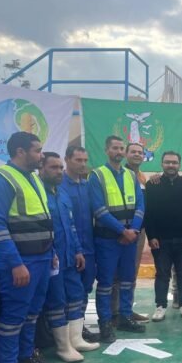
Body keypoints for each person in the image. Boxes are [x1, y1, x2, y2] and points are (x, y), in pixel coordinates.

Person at [0, 132, 59, 363]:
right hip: (21, 262)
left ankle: (26, 358)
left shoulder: (33, 179)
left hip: (42, 258)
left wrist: (52, 251)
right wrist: (15, 263)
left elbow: (43, 219)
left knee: (32, 313)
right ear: (20, 151)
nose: (41, 155)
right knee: (13, 318)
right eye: (37, 150)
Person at [39, 152, 99, 362]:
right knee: (57, 300)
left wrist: (78, 251)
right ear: (41, 168)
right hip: (53, 258)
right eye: (53, 167)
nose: (58, 171)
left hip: (70, 255)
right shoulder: (40, 194)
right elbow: (42, 228)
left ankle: (76, 339)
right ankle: (63, 347)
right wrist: (50, 252)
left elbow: (71, 226)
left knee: (76, 295)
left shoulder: (61, 194)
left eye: (59, 167)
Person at [89, 135, 146, 342]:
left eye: (121, 148)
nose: (119, 152)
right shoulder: (97, 175)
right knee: (106, 283)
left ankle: (125, 317)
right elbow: (98, 209)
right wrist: (122, 231)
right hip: (107, 240)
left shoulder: (131, 175)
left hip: (130, 239)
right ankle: (105, 323)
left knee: (127, 280)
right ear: (107, 150)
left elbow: (140, 205)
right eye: (115, 148)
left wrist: (134, 231)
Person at [145, 151, 182, 322]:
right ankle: (160, 305)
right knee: (162, 274)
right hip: (160, 240)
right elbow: (149, 212)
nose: (171, 165)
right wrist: (151, 236)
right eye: (167, 162)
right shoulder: (153, 185)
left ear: (179, 165)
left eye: (174, 162)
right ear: (162, 164)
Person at [61, 145, 99, 342]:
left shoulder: (87, 185)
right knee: (70, 292)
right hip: (69, 249)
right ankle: (65, 332)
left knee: (85, 289)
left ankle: (79, 326)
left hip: (89, 247)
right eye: (78, 160)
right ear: (67, 159)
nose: (83, 164)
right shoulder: (59, 185)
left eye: (85, 160)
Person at [111, 142, 149, 323]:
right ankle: (114, 312)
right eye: (133, 152)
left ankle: (126, 309)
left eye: (140, 152)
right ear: (126, 154)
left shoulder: (141, 177)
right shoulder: (119, 174)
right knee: (116, 273)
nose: (137, 155)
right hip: (119, 231)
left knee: (131, 272)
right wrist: (124, 230)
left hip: (137, 231)